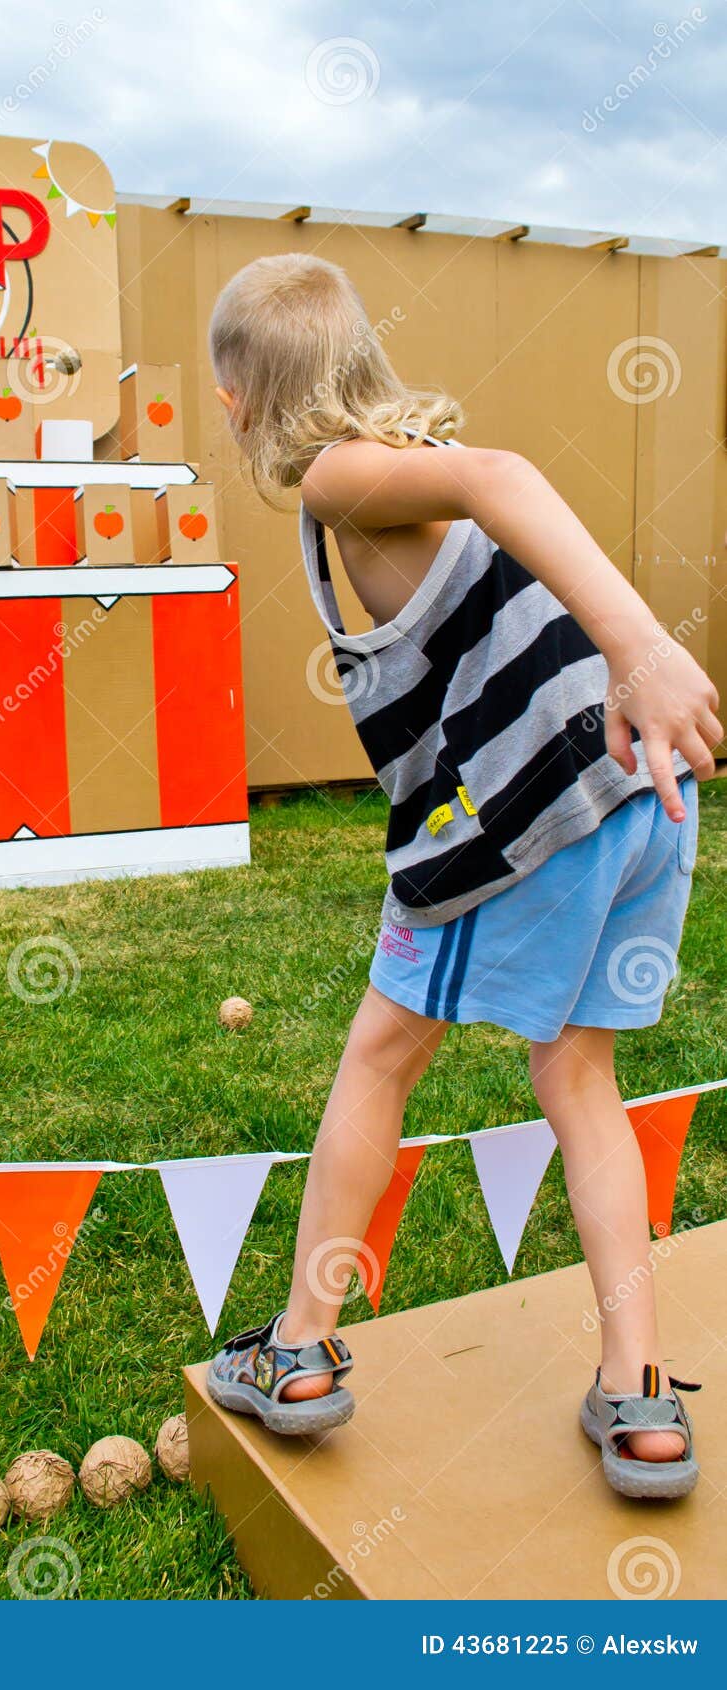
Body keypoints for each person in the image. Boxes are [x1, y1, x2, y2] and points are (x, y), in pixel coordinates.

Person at [204, 253, 720, 1499]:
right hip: (638, 807)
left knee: (381, 1056)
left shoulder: (338, 477)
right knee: (579, 1077)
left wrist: (644, 649)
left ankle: (302, 1352)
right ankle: (639, 1398)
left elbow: (502, 480)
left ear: (237, 398)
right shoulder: (393, 455)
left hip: (519, 824)